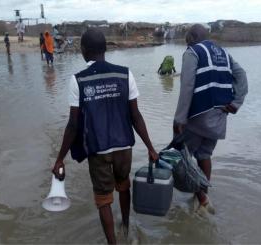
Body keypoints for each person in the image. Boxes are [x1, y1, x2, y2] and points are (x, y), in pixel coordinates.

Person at [52, 28, 158, 244]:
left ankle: (113, 243)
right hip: (123, 147)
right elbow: (136, 116)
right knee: (123, 185)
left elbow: (73, 125)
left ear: (83, 50)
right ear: (105, 48)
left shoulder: (78, 80)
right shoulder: (125, 74)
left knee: (103, 199)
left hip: (98, 149)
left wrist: (60, 158)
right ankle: (126, 226)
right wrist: (151, 147)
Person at [173, 24, 248, 215]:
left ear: (193, 37)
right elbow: (241, 75)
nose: (186, 43)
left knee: (182, 155)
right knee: (204, 155)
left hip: (198, 116)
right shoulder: (222, 52)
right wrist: (236, 102)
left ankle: (202, 199)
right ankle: (202, 196)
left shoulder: (193, 52)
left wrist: (179, 119)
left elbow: (187, 86)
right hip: (219, 117)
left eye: (188, 39)